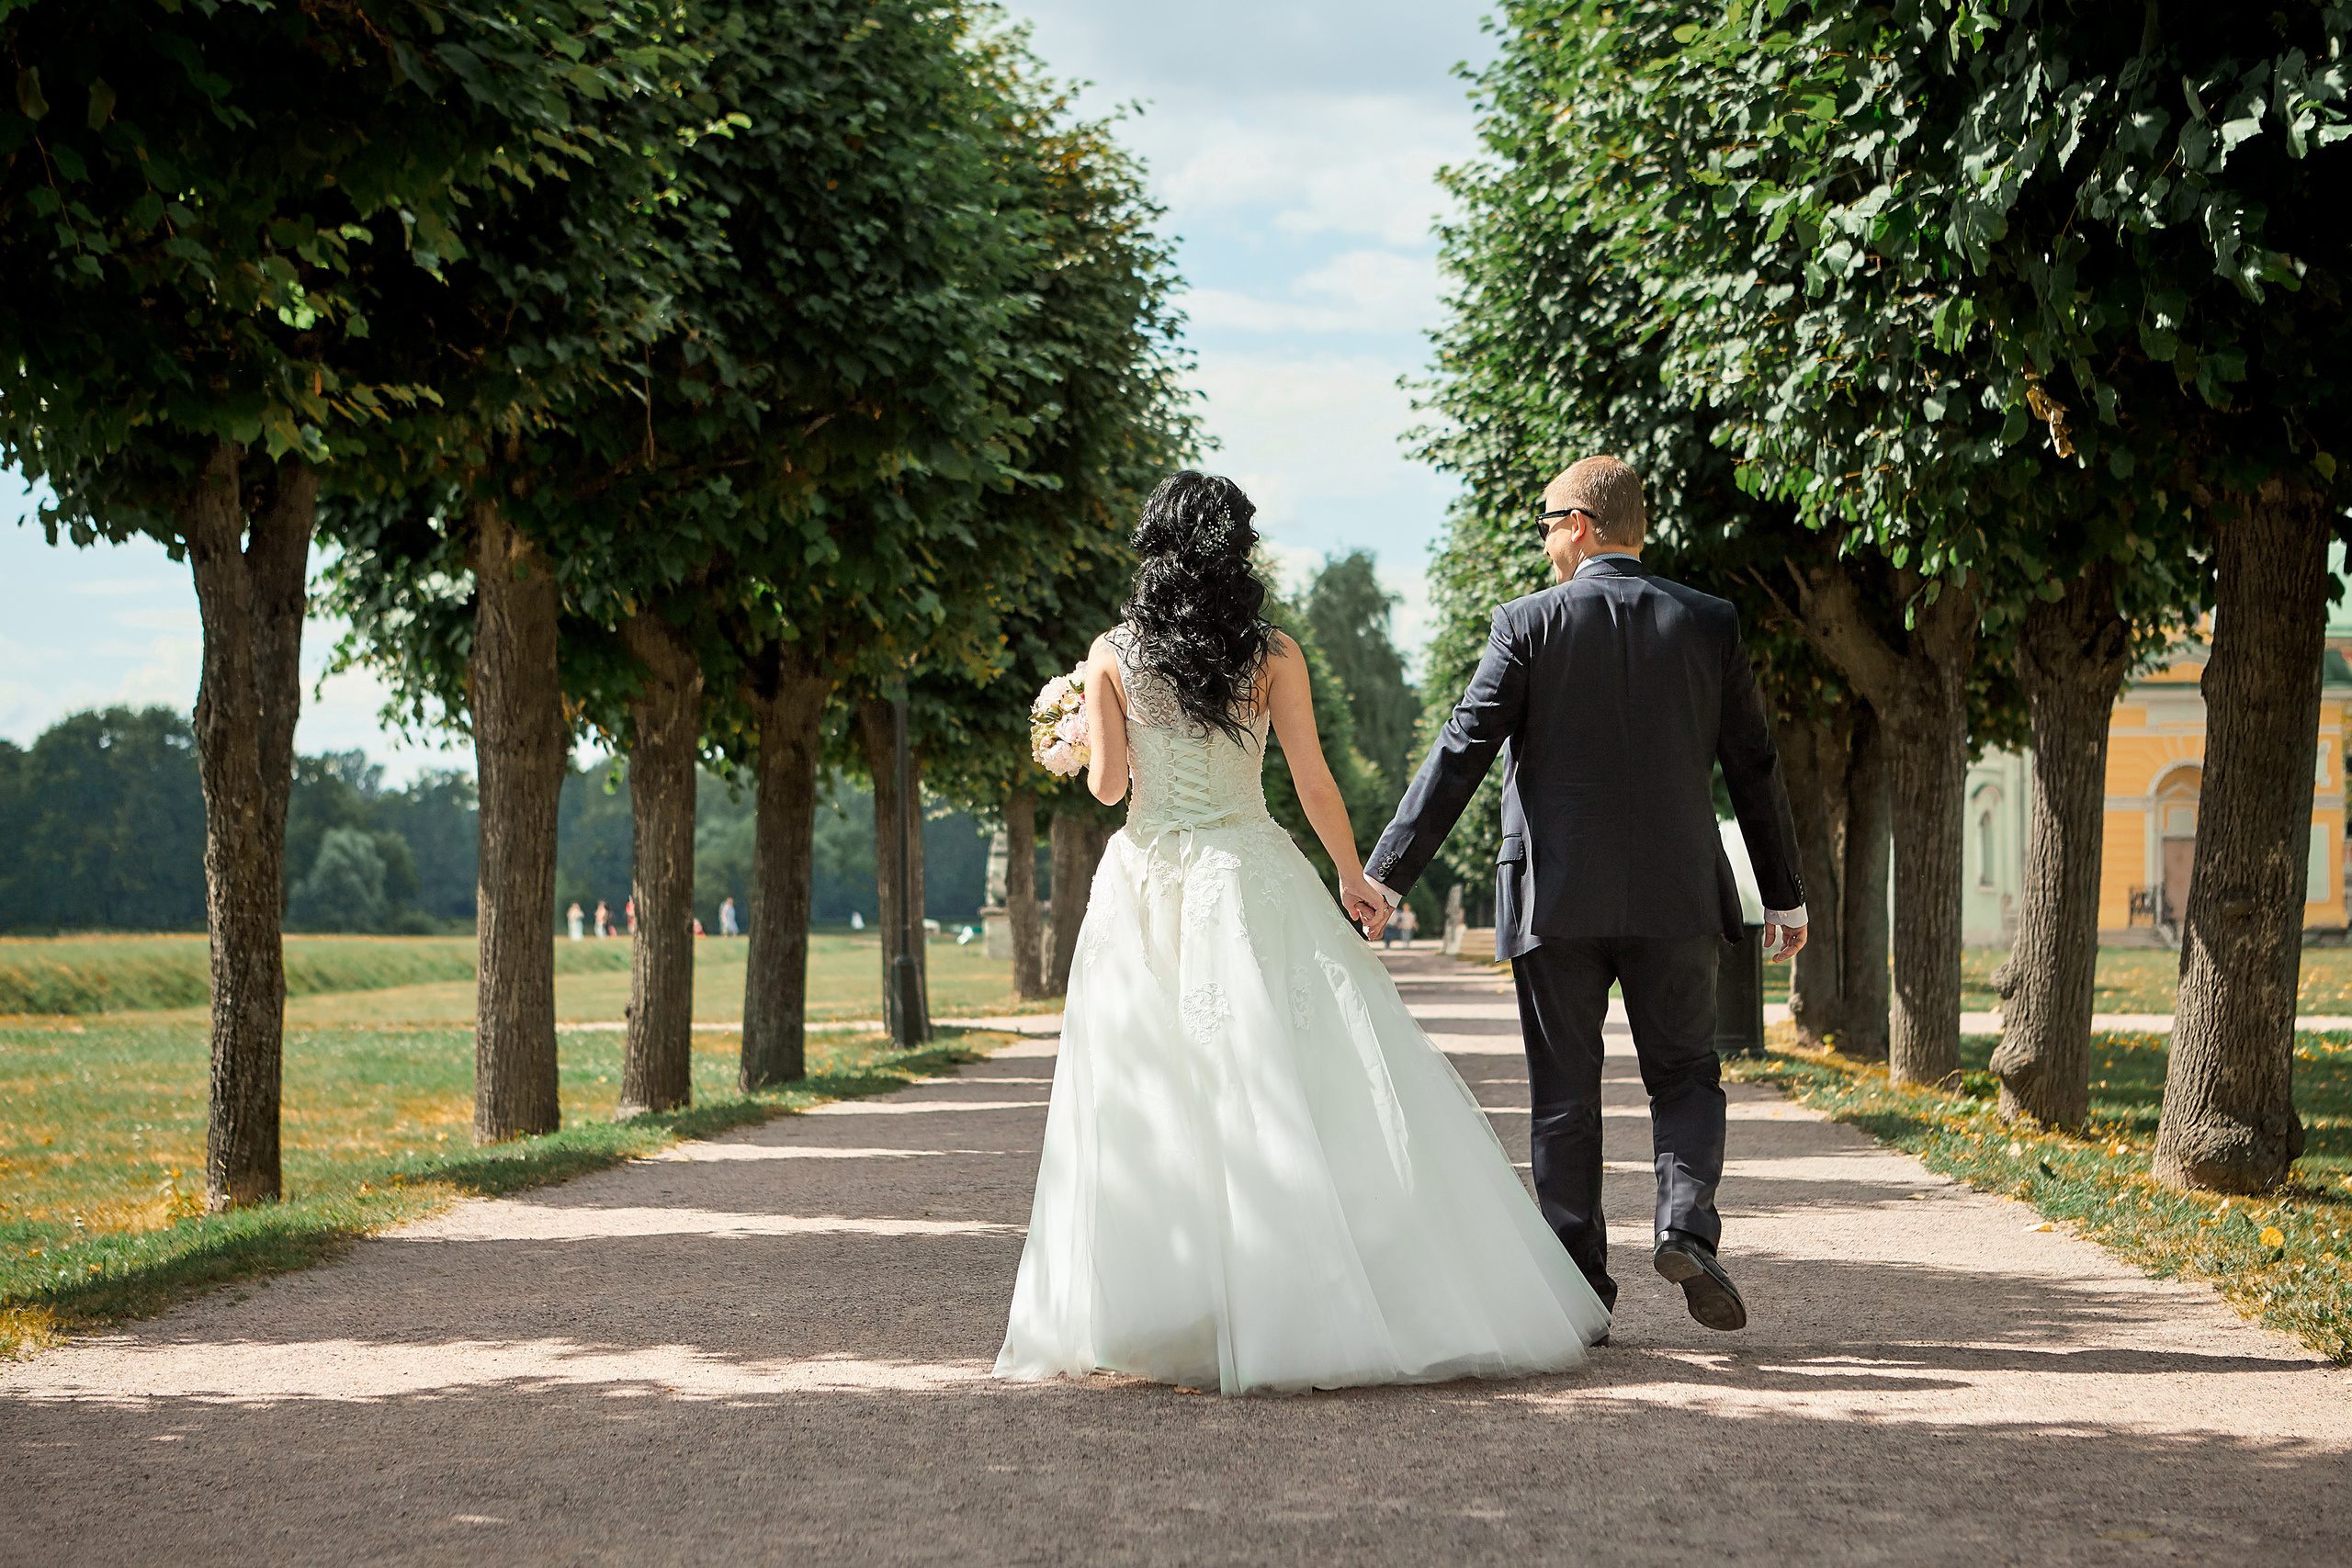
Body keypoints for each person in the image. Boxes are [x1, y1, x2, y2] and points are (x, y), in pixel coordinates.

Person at [995, 471, 1608, 1397]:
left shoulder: (1111, 653)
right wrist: (1355, 876)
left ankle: (1165, 1308)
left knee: (1147, 1089)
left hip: (1148, 881)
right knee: (1282, 1081)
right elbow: (1312, 780)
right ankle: (1303, 1297)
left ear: (1154, 549)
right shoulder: (1272, 650)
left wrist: (1081, 735)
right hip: (1247, 870)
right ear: (1235, 548)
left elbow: (1111, 792)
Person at [1363, 456, 1806, 1336]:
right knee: (1686, 1075)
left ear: (1584, 525)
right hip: (1679, 897)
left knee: (1564, 1092)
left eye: (1546, 521)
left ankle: (1577, 1292)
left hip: (1555, 899)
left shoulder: (1527, 625)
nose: (1541, 539)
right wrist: (1784, 895)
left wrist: (1387, 875)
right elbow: (1753, 764)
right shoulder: (1707, 622)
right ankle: (1685, 1225)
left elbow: (1463, 750)